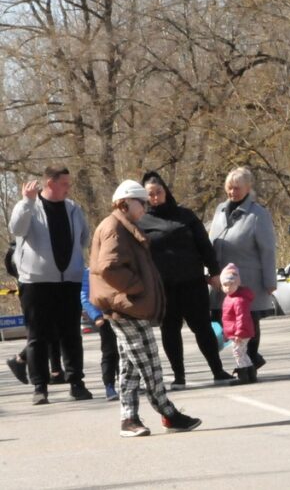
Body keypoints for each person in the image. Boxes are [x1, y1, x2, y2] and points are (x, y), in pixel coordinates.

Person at [90, 180, 201, 437]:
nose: (145, 207)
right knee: (149, 361)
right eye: (141, 202)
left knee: (130, 366)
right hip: (125, 307)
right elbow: (108, 267)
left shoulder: (124, 225)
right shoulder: (114, 227)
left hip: (129, 306)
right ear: (127, 202)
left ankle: (129, 419)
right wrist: (136, 287)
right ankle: (168, 412)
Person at [138, 171, 234, 388]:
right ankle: (178, 376)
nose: (155, 197)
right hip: (163, 287)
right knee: (170, 331)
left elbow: (204, 246)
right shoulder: (141, 222)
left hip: (192, 283)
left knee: (203, 328)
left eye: (158, 192)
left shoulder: (185, 216)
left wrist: (215, 271)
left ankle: (217, 371)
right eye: (150, 195)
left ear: (165, 191)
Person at [8, 165, 92, 405]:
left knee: (71, 334)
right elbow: (16, 229)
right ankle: (40, 387)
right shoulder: (29, 206)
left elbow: (84, 238)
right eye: (65, 183)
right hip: (36, 282)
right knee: (37, 336)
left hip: (69, 280)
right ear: (51, 183)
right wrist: (26, 201)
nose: (69, 188)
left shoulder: (74, 208)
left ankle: (76, 383)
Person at [209, 167, 277, 379]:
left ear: (248, 188)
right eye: (229, 188)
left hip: (250, 280)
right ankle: (249, 359)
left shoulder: (258, 214)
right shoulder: (220, 210)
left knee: (248, 323)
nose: (233, 192)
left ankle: (249, 362)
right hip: (225, 280)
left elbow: (268, 249)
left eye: (237, 188)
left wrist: (270, 281)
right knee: (227, 322)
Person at [79, 268, 120, 401]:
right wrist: (96, 316)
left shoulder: (120, 265)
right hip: (105, 316)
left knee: (128, 350)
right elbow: (85, 296)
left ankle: (130, 382)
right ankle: (109, 386)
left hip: (124, 314)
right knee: (110, 352)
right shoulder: (90, 272)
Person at [219, 263, 257, 385]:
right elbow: (227, 318)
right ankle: (250, 372)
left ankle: (243, 375)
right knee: (242, 352)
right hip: (235, 331)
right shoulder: (229, 298)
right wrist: (226, 333)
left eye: (231, 285)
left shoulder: (239, 300)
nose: (228, 288)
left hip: (241, 332)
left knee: (238, 352)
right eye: (225, 285)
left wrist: (239, 333)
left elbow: (242, 317)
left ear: (238, 284)